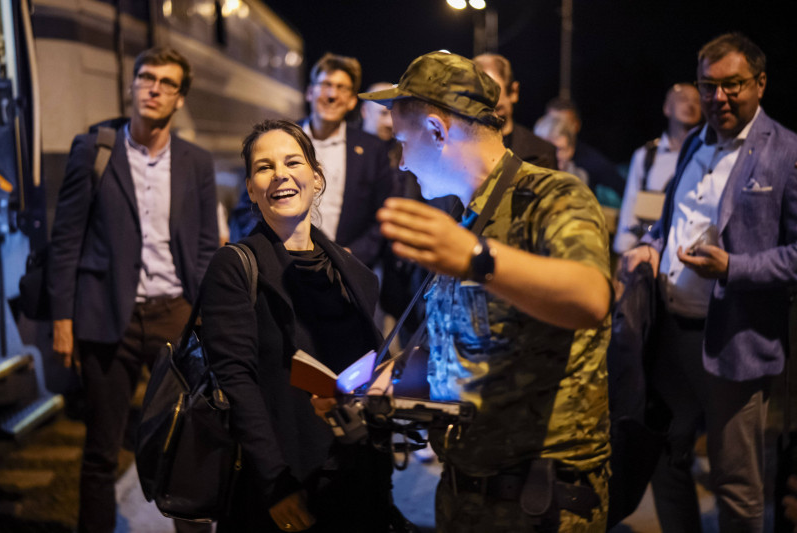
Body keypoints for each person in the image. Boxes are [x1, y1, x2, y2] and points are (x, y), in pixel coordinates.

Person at [360, 50, 612, 532]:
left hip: (539, 504)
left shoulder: (552, 196)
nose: (401, 160)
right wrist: (393, 380)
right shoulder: (468, 217)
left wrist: (477, 258)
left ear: (437, 130)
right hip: (466, 493)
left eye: (401, 140)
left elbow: (590, 297)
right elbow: (474, 342)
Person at [623, 32, 797, 532]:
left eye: (733, 85)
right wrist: (649, 247)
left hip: (733, 342)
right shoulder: (693, 143)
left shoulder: (785, 152)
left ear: (760, 84)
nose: (718, 97)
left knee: (736, 482)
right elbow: (669, 221)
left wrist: (733, 269)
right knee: (666, 462)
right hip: (669, 339)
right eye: (708, 86)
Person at [47, 47, 218, 532]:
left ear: (179, 99)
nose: (154, 87)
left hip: (175, 316)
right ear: (132, 84)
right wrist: (63, 319)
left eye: (166, 82)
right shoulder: (94, 149)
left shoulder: (196, 163)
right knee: (101, 449)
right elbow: (67, 241)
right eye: (146, 77)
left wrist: (205, 315)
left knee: (190, 443)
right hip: (107, 317)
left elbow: (206, 246)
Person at [199, 120, 393, 532]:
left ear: (316, 178)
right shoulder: (234, 267)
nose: (280, 174)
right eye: (264, 167)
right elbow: (237, 382)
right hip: (284, 483)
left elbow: (373, 361)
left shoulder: (353, 272)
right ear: (251, 189)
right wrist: (275, 482)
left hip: (354, 477)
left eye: (292, 161)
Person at [230, 54, 392, 269]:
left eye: (342, 88)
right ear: (309, 92)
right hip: (281, 265)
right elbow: (248, 207)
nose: (332, 95)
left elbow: (383, 216)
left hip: (345, 268)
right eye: (326, 84)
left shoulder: (373, 150)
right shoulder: (277, 139)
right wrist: (270, 249)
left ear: (353, 100)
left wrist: (351, 255)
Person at [613, 83, 702, 253]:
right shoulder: (647, 155)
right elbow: (631, 204)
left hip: (685, 250)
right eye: (683, 99)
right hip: (646, 247)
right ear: (667, 108)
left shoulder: (704, 156)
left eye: (697, 101)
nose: (690, 105)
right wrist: (624, 249)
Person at [472, 53, 557, 170]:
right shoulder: (457, 151)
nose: (490, 116)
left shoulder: (541, 153)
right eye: (481, 109)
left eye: (498, 109)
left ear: (514, 92)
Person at [543, 97, 625, 206]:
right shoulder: (533, 156)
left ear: (576, 125)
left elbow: (624, 189)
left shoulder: (590, 162)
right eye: (552, 122)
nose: (557, 128)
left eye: (564, 124)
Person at [533, 113, 589, 185]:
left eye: (560, 149)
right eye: (547, 149)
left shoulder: (578, 178)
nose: (555, 155)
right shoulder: (526, 175)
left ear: (571, 150)